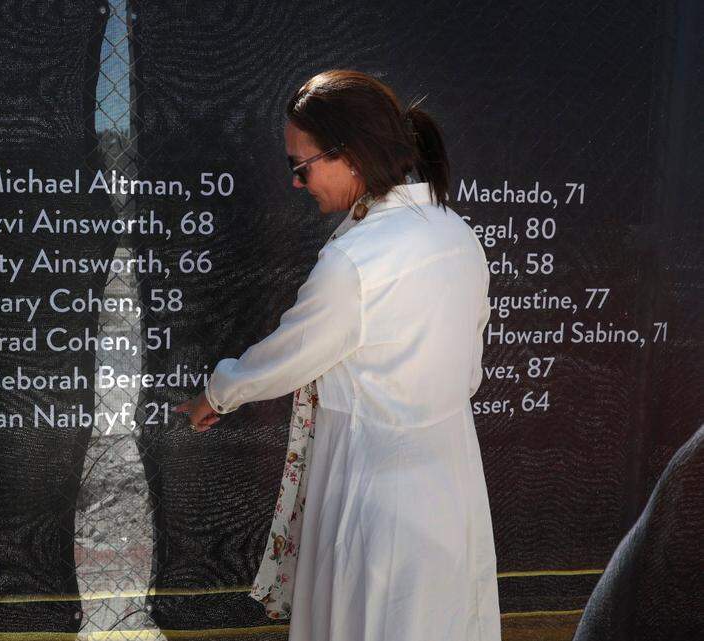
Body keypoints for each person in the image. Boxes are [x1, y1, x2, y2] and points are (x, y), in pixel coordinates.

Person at [175, 70, 501, 640]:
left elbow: (288, 354)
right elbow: (469, 367)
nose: (297, 184)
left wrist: (218, 394)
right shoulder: (456, 233)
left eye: (301, 167)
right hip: (451, 486)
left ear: (349, 156)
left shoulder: (355, 262)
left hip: (373, 490)